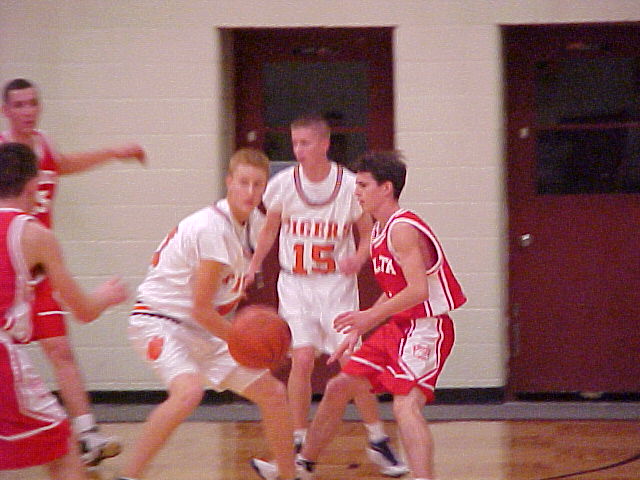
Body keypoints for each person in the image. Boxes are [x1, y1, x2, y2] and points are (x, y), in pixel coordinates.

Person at [117, 148, 300, 480]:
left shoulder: (255, 224)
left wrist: (267, 334)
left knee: (273, 393)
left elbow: (217, 299)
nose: (250, 191)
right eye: (243, 182)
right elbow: (201, 309)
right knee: (188, 392)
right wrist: (253, 344)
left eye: (257, 184)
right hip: (160, 321)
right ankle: (127, 476)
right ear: (229, 182)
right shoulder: (212, 228)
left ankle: (288, 474)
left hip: (201, 328)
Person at [246, 114, 408, 479]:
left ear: (324, 144)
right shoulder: (283, 184)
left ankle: (377, 438)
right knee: (302, 358)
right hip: (295, 284)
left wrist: (360, 258)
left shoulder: (350, 186)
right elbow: (269, 231)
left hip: (335, 286)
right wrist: (254, 264)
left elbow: (367, 234)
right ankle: (298, 440)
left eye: (305, 143)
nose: (298, 150)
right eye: (294, 143)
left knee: (353, 363)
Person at [295, 151, 467, 480]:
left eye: (363, 185)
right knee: (339, 386)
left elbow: (417, 290)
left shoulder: (403, 229)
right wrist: (359, 326)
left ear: (386, 188)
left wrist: (369, 319)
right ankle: (302, 466)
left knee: (405, 405)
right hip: (399, 327)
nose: (356, 191)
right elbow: (394, 289)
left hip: (427, 328)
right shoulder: (378, 230)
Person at [1, 77, 145, 465]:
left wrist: (113, 152)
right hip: (10, 267)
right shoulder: (5, 158)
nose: (28, 111)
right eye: (19, 105)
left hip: (39, 271)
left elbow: (65, 165)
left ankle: (86, 434)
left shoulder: (43, 146)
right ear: (6, 111)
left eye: (33, 103)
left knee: (60, 349)